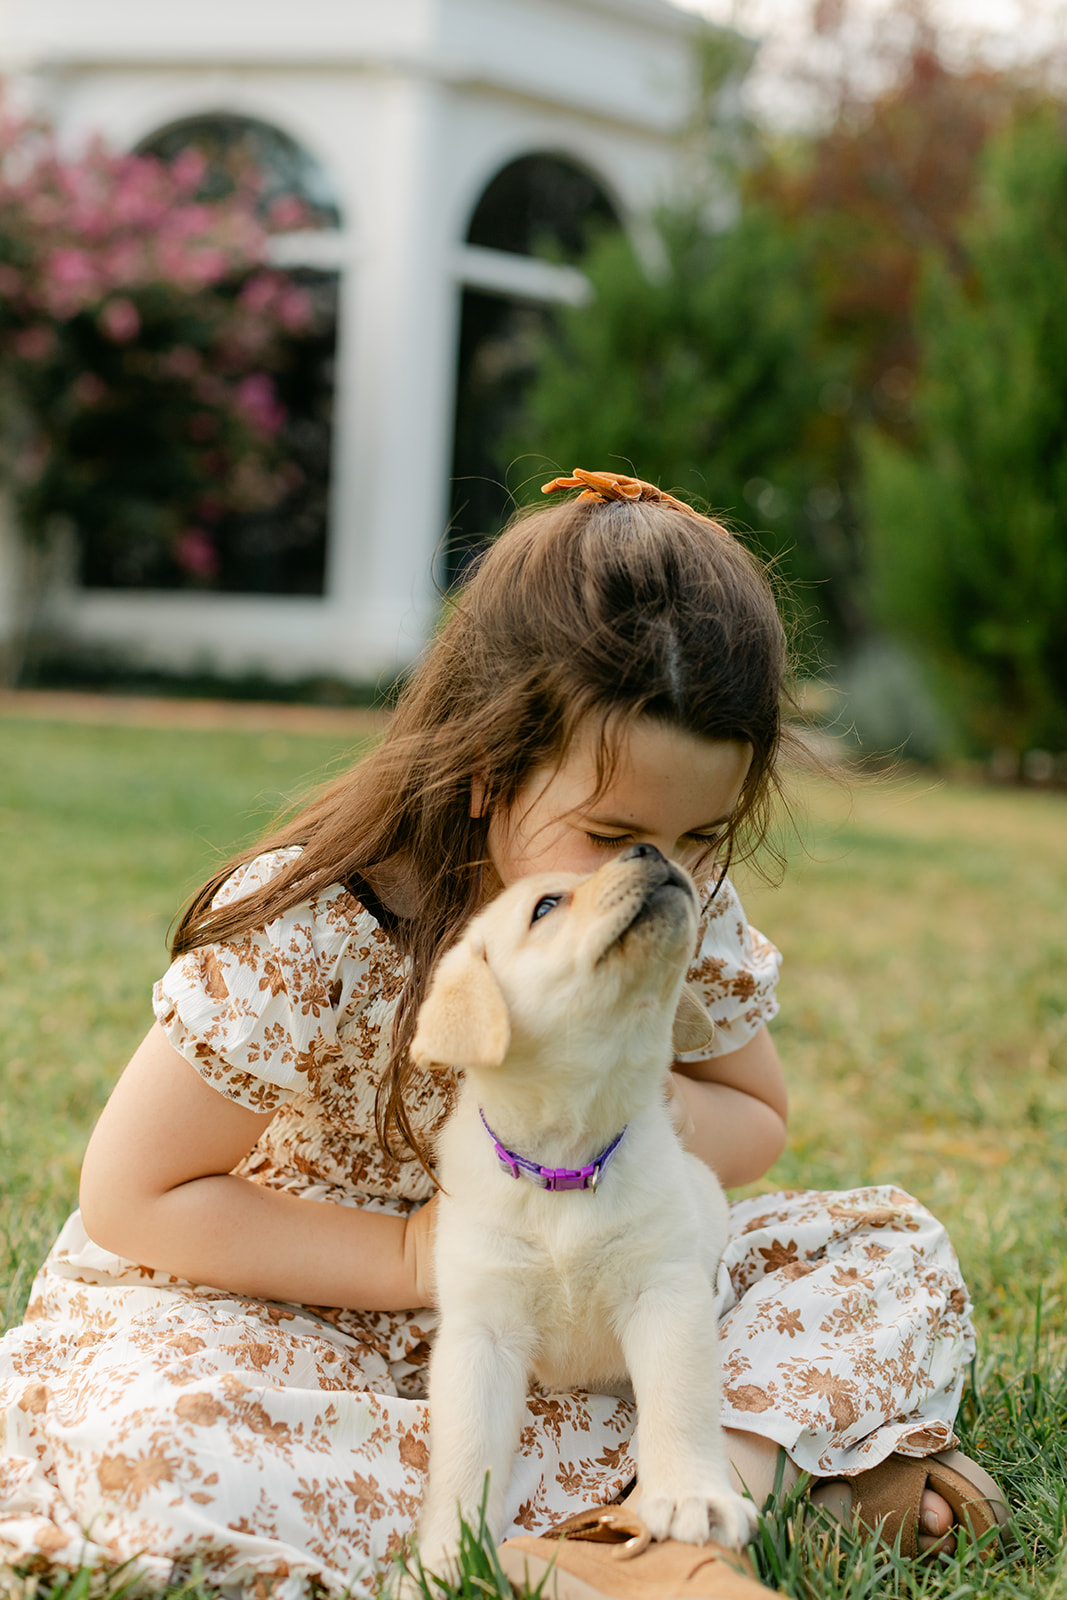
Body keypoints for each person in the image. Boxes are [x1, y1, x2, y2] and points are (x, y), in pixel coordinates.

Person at [0, 470, 1006, 1600]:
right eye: (613, 831)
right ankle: (783, 1491)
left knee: (883, 1257)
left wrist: (618, 1109)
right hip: (303, 1316)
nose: (658, 872)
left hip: (590, 1311)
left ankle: (661, 1526)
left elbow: (757, 1114)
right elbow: (133, 1195)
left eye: (700, 835)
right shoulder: (318, 926)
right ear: (488, 770)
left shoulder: (671, 902)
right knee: (153, 1436)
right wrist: (410, 1256)